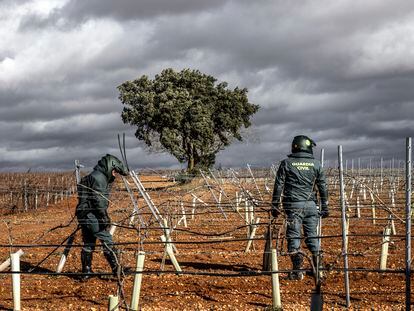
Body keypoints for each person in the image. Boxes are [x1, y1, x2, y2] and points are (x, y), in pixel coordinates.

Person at [271, 135, 328, 280]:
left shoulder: (286, 163)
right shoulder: (316, 164)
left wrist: (275, 205)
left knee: (294, 237)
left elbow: (279, 186)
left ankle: (298, 271)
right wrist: (325, 205)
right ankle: (318, 270)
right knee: (312, 238)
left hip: (293, 206)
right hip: (311, 206)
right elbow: (322, 186)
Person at [76, 154, 128, 280]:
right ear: (110, 167)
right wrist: (104, 217)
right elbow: (99, 201)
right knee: (107, 239)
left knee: (88, 243)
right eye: (115, 171)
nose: (115, 174)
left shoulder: (93, 175)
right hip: (91, 215)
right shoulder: (99, 178)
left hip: (84, 214)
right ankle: (117, 270)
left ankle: (86, 272)